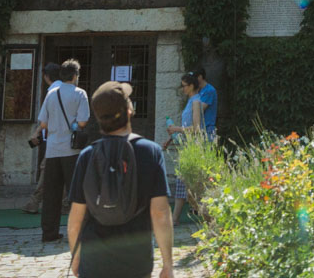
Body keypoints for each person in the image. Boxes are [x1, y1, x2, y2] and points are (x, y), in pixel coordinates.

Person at [67, 80, 173, 278]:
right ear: (129, 110)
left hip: (94, 263)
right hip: (136, 262)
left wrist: (76, 257)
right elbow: (160, 213)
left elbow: (75, 220)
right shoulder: (150, 152)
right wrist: (168, 264)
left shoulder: (87, 156)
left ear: (97, 117)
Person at [37, 58, 92, 244]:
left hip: (52, 148)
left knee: (51, 193)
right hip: (72, 149)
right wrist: (73, 123)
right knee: (76, 192)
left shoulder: (51, 94)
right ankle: (81, 231)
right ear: (76, 75)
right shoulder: (80, 93)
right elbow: (83, 122)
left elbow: (43, 123)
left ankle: (48, 232)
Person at [162, 73, 207, 224]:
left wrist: (176, 129)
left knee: (187, 184)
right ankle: (177, 219)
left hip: (193, 148)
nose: (182, 89)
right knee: (187, 184)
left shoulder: (196, 102)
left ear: (192, 86)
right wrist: (171, 138)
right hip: (187, 146)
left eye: (184, 86)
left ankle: (175, 219)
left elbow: (196, 128)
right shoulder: (190, 101)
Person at [24, 63, 60, 215]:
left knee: (46, 170)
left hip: (54, 139)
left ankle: (34, 202)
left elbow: (45, 119)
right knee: (61, 171)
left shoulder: (52, 92)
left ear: (46, 76)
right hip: (64, 139)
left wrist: (36, 133)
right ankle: (65, 203)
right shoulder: (67, 91)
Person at [191, 68, 218, 140]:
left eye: (194, 78)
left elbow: (199, 110)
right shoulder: (199, 91)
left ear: (200, 77)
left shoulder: (209, 91)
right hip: (199, 130)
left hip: (207, 131)